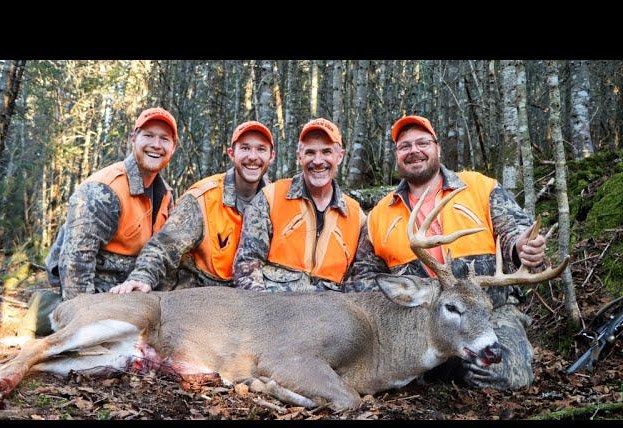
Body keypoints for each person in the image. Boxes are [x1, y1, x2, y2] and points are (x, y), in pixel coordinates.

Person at [347, 115, 547, 390]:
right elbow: (363, 276)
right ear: (396, 155)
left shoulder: (479, 187)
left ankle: (452, 370)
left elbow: (515, 229)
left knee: (498, 373)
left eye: (422, 143)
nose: (414, 151)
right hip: (420, 321)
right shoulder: (380, 214)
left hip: (490, 313)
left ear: (437, 147)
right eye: (405, 146)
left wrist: (523, 246)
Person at [19, 108, 178, 338]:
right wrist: (83, 324)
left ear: (173, 147)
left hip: (130, 285)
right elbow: (75, 264)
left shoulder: (165, 195)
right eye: (148, 135)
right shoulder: (103, 190)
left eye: (164, 139)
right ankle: (45, 312)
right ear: (133, 138)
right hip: (95, 284)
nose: (156, 144)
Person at [110, 121, 275, 294]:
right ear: (232, 154)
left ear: (271, 156)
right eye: (245, 148)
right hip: (194, 298)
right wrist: (142, 277)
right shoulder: (203, 198)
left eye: (261, 149)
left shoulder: (275, 201)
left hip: (247, 298)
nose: (253, 157)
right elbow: (164, 246)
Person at [234, 118, 365, 292]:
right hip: (275, 311)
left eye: (326, 152)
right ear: (299, 157)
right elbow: (247, 267)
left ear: (339, 156)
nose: (318, 161)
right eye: (310, 152)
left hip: (330, 315)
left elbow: (361, 280)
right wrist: (263, 312)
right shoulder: (270, 199)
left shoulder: (356, 216)